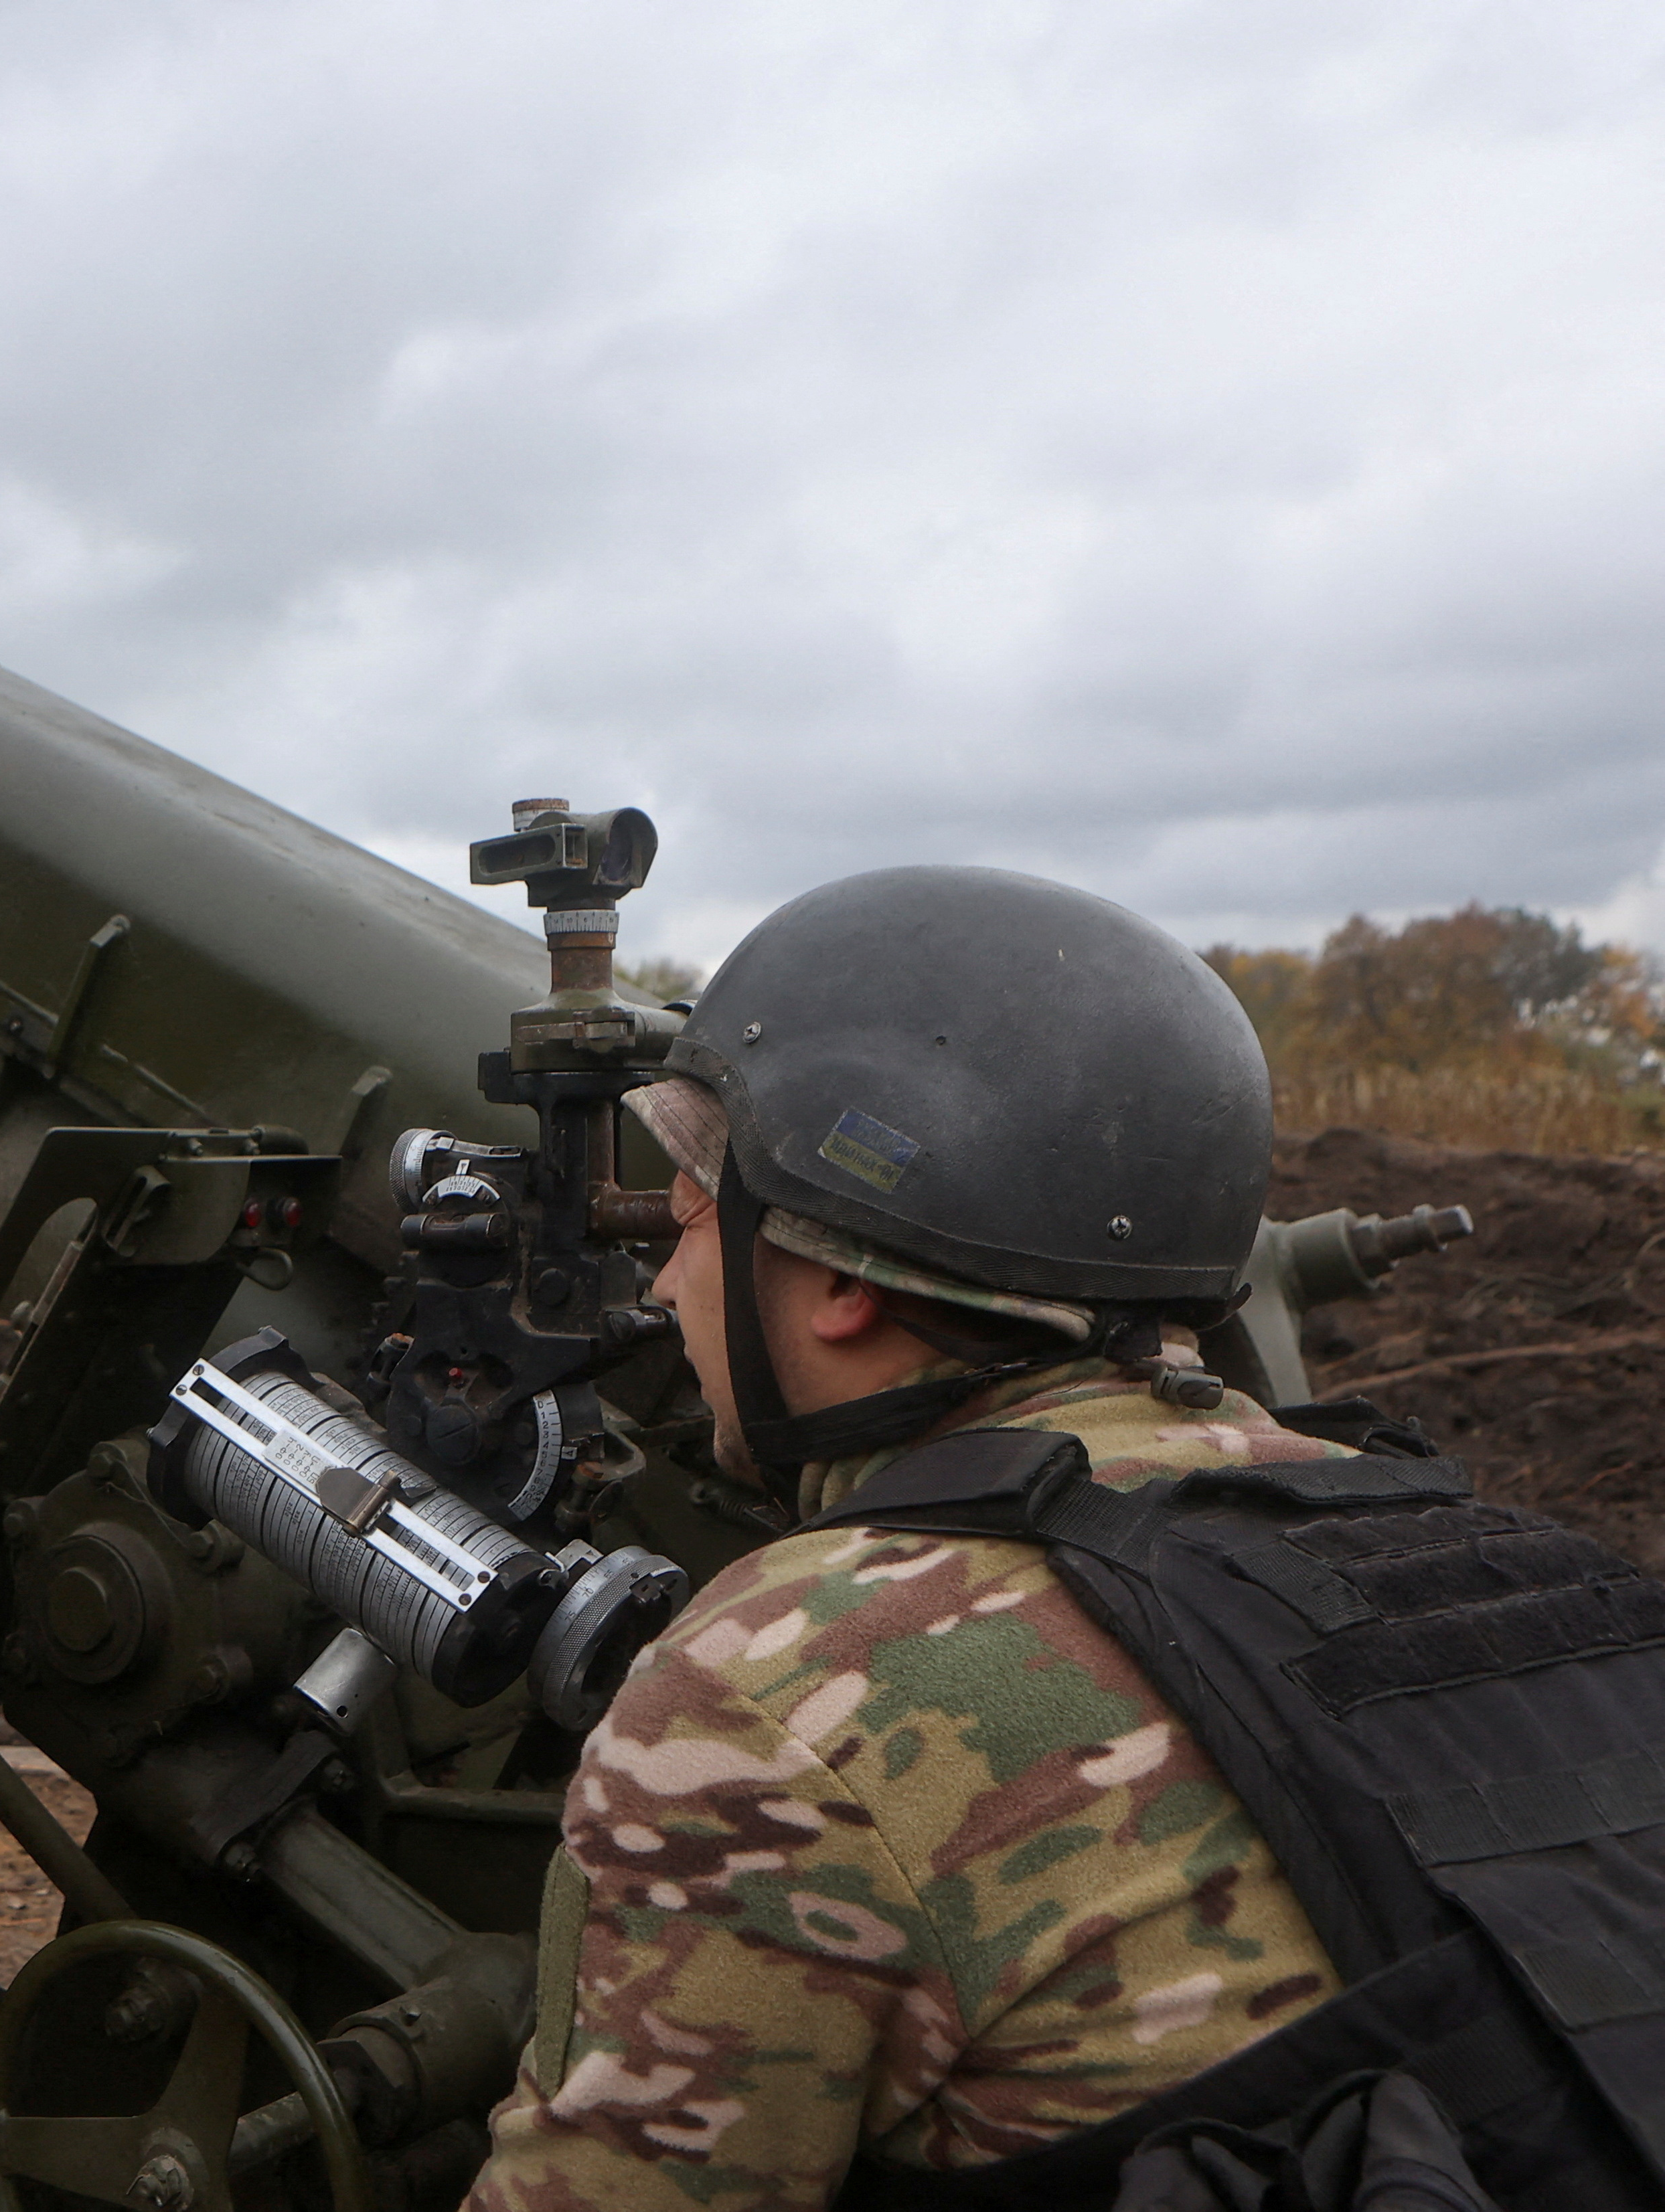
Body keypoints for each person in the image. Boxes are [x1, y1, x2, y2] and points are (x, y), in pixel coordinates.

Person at [468, 865, 1516, 2210]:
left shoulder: (780, 1693)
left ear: (837, 1277)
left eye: (686, 1214)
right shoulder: (1457, 1546)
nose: (666, 1279)